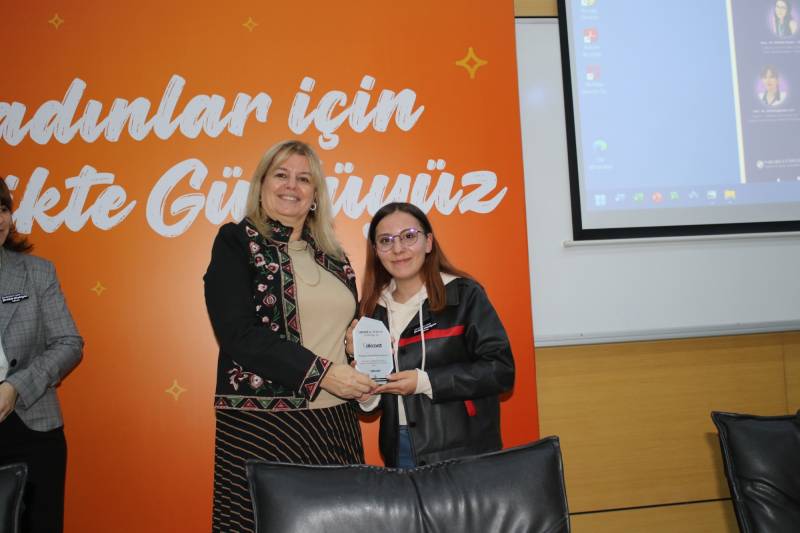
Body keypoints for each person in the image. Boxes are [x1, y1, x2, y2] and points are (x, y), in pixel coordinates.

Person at [203, 140, 376, 532]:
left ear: (315, 196)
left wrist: (356, 355)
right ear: (262, 184)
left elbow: (345, 331)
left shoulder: (334, 256)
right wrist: (323, 374)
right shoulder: (235, 241)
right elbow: (238, 334)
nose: (291, 186)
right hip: (265, 426)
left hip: (337, 421)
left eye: (304, 179)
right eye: (281, 175)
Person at [351, 202, 515, 468]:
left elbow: (501, 370)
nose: (398, 249)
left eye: (409, 236)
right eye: (386, 240)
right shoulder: (370, 310)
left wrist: (425, 382)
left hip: (464, 446)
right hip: (399, 448)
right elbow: (372, 399)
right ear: (376, 251)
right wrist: (364, 392)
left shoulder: (464, 295)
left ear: (428, 242)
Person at [0, 178, 83, 533]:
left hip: (32, 427)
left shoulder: (37, 272)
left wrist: (15, 387)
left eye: (2, 208)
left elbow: (69, 343)